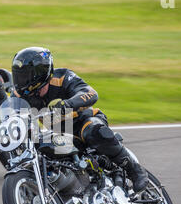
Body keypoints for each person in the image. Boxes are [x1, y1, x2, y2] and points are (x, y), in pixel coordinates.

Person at [10, 47, 148, 192]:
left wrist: (68, 104)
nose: (21, 81)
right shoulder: (19, 95)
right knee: (40, 151)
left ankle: (136, 171)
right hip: (61, 135)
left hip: (85, 121)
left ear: (40, 73)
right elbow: (12, 115)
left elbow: (91, 93)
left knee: (93, 131)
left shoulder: (63, 77)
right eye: (19, 76)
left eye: (25, 76)